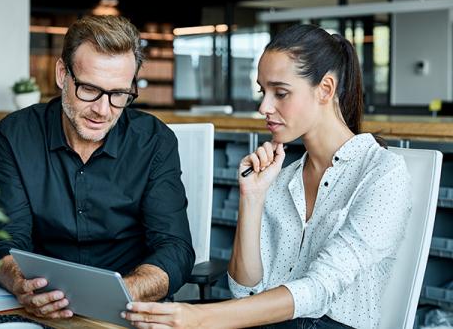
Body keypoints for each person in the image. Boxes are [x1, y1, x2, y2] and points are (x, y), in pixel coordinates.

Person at [124, 24, 412, 329]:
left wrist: (199, 317)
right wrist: (252, 197)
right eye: (263, 91)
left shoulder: (383, 174)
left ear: (325, 89)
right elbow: (244, 291)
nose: (264, 107)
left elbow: (320, 289)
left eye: (281, 93)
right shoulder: (281, 177)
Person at [0, 15, 195, 320]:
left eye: (119, 94)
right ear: (62, 74)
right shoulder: (17, 134)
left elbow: (174, 249)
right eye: (88, 89)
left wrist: (122, 292)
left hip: (128, 308)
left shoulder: (155, 142)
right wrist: (21, 284)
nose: (102, 110)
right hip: (43, 308)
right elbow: (5, 240)